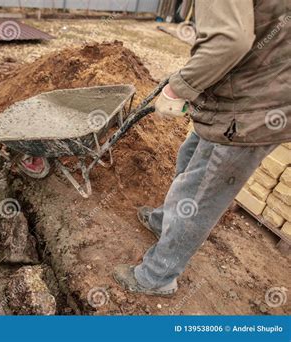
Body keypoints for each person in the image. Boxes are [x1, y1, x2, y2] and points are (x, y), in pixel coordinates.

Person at [113, 0, 290, 296]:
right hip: (247, 89)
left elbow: (230, 40)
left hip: (254, 107)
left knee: (199, 196)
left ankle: (158, 276)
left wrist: (178, 87)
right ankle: (164, 222)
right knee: (189, 161)